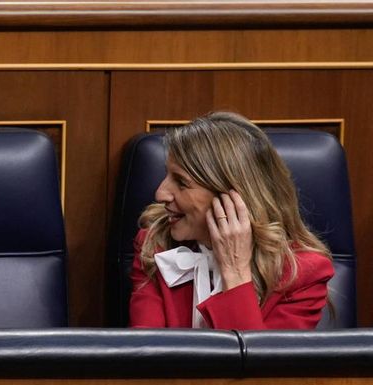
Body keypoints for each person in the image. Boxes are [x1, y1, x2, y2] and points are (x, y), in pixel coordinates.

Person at [130, 111, 334, 330]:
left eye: (181, 182)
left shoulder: (303, 274)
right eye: (166, 174)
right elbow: (147, 356)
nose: (161, 193)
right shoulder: (153, 245)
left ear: (235, 197)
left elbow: (262, 363)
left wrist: (235, 273)